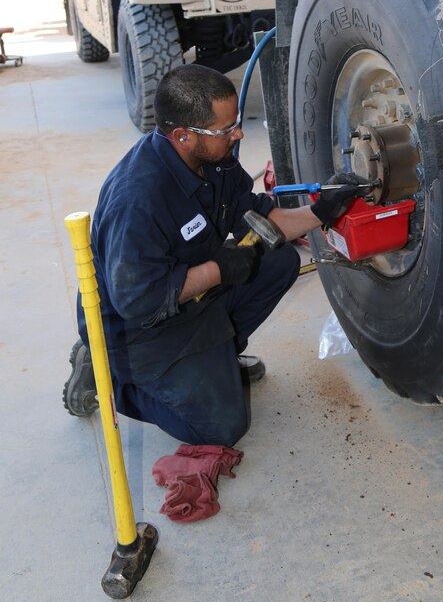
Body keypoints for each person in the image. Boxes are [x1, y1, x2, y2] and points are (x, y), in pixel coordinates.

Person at [64, 65, 365, 446]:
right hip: (138, 333)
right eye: (226, 130)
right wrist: (218, 269)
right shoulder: (137, 201)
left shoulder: (214, 161)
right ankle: (109, 377)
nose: (238, 134)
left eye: (235, 122)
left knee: (278, 261)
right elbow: (139, 301)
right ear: (183, 136)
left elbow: (260, 217)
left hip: (192, 299)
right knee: (222, 429)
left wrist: (321, 212)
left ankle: (217, 357)